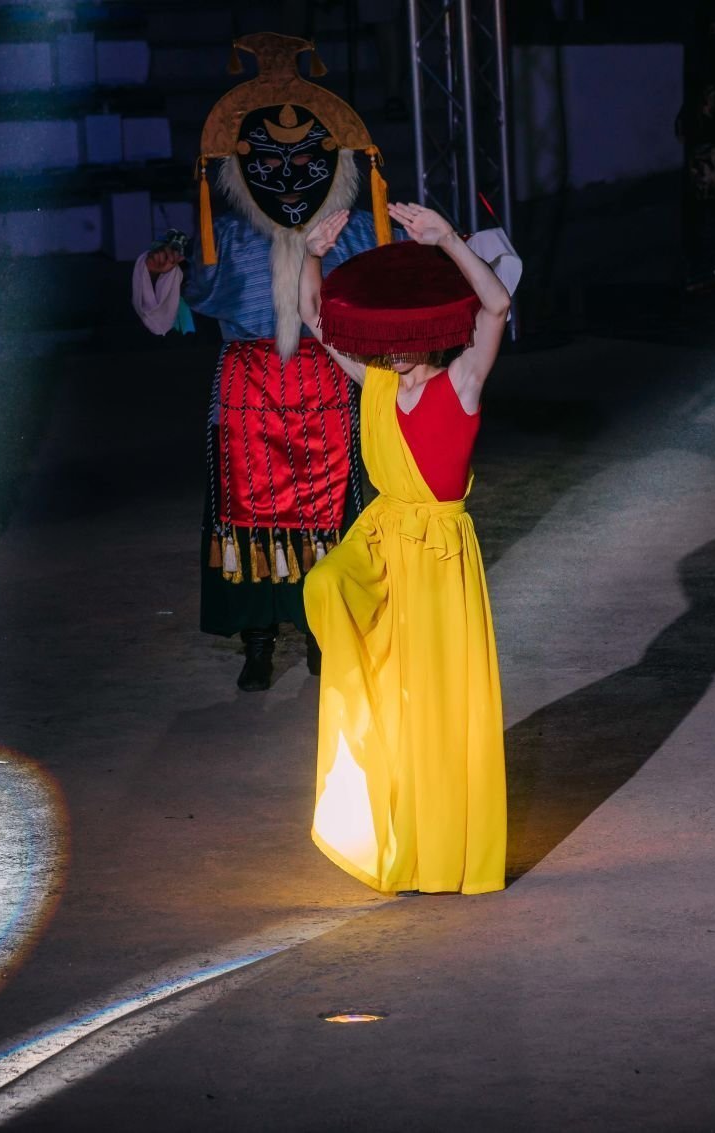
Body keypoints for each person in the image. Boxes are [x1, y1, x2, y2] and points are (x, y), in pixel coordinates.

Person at [133, 33, 395, 692]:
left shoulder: (354, 231)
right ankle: (258, 641)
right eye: (270, 161)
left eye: (303, 159)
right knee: (250, 517)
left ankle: (323, 633)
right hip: (249, 390)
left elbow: (390, 284)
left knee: (328, 513)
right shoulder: (226, 237)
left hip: (326, 380)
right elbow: (180, 290)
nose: (286, 174)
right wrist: (161, 264)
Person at [298, 202, 510, 896]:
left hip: (440, 563)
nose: (391, 349)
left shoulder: (462, 383)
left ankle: (439, 847)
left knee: (439, 711)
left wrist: (446, 238)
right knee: (324, 585)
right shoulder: (379, 383)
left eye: (403, 335)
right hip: (384, 544)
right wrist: (311, 253)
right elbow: (313, 316)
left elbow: (497, 306)